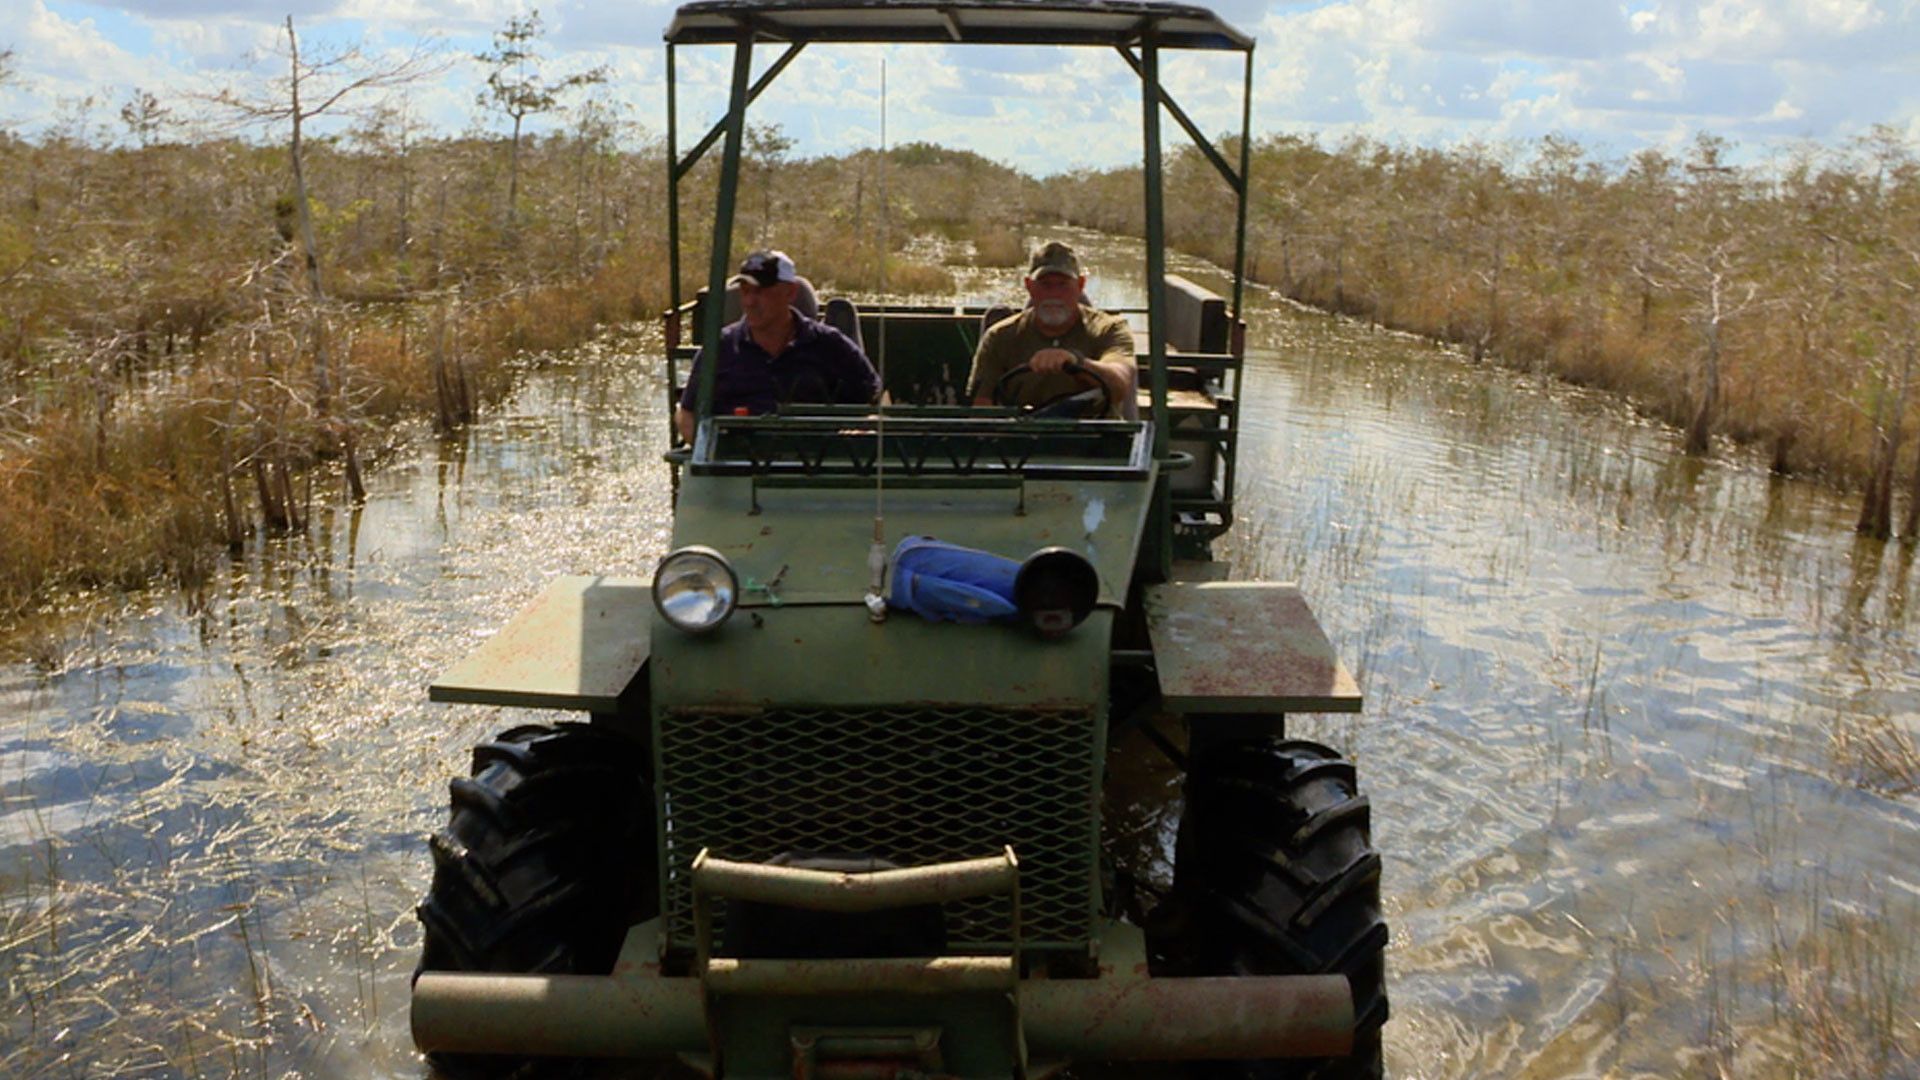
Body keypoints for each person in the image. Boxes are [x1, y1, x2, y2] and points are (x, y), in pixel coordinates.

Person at [675, 250, 880, 442]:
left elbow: (875, 403)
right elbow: (687, 414)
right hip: (737, 462)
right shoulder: (720, 349)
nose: (749, 302)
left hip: (817, 461)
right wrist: (713, 450)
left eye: (759, 292)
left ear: (790, 292)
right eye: (745, 292)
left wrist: (860, 434)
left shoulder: (830, 345)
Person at [966, 241, 1136, 418]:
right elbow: (981, 408)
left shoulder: (1109, 329)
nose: (1054, 294)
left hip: (1096, 432)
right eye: (1045, 284)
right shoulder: (999, 336)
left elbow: (1120, 384)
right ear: (1029, 286)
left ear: (1080, 285)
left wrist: (1077, 363)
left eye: (1063, 284)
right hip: (1024, 431)